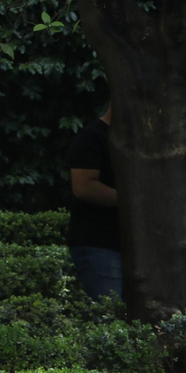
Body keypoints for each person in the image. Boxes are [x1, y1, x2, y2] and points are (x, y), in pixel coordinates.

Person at [67, 105, 123, 301]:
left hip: (126, 245)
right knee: (111, 316)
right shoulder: (92, 137)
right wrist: (134, 203)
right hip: (99, 244)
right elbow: (83, 187)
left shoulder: (136, 140)